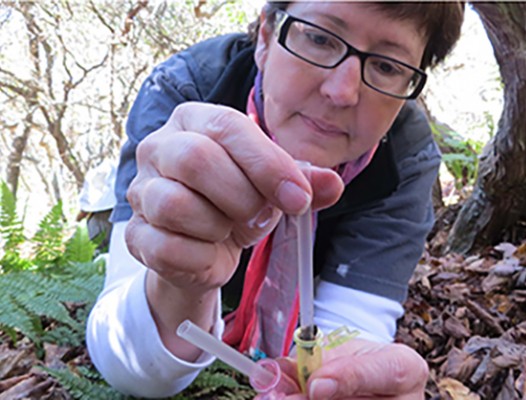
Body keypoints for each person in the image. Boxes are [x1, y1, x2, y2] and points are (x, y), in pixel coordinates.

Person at [86, 1, 464, 399]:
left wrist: (346, 379)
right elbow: (124, 358)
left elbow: (350, 331)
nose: (341, 92)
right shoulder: (185, 93)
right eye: (319, 39)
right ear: (265, 36)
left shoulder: (405, 156)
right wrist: (179, 280)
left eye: (387, 66)